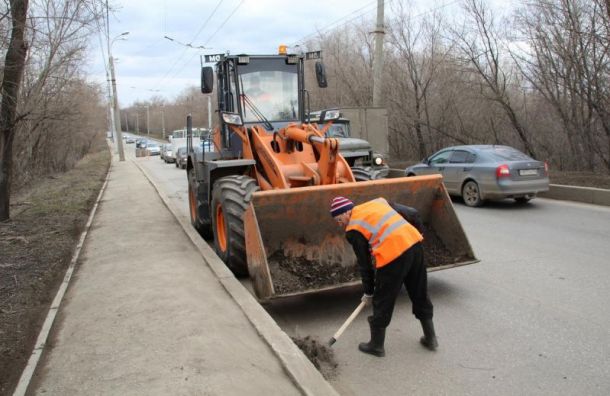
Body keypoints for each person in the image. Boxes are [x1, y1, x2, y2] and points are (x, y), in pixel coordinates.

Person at [330, 196, 438, 357]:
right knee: (419, 292)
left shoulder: (353, 229)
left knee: (383, 299)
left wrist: (369, 292)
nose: (339, 224)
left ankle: (376, 346)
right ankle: (431, 338)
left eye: (339, 220)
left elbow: (364, 264)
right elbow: (413, 212)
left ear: (347, 212)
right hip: (415, 246)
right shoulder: (377, 202)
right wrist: (419, 233)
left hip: (393, 256)